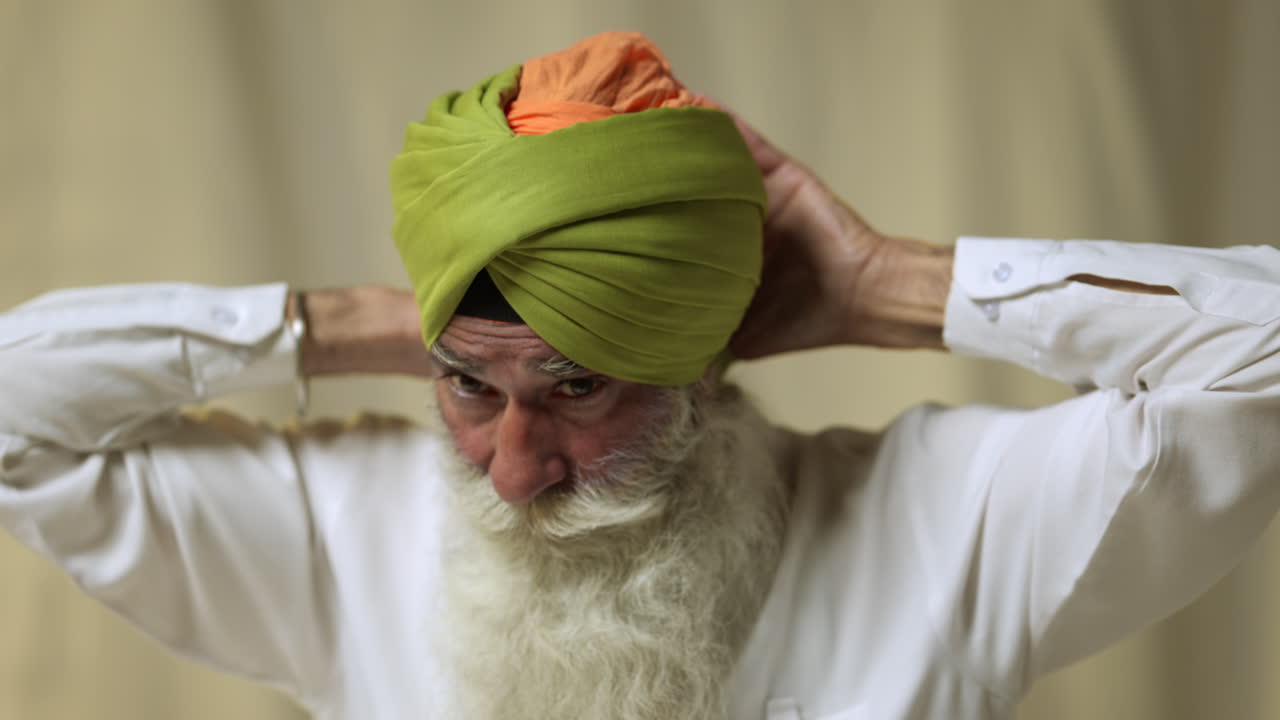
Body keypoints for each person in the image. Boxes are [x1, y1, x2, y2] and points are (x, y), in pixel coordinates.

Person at [2, 31, 1278, 720]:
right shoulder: (335, 533)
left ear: (699, 362)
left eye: (576, 392)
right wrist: (364, 322)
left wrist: (884, 284)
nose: (511, 472)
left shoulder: (947, 524)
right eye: (465, 390)